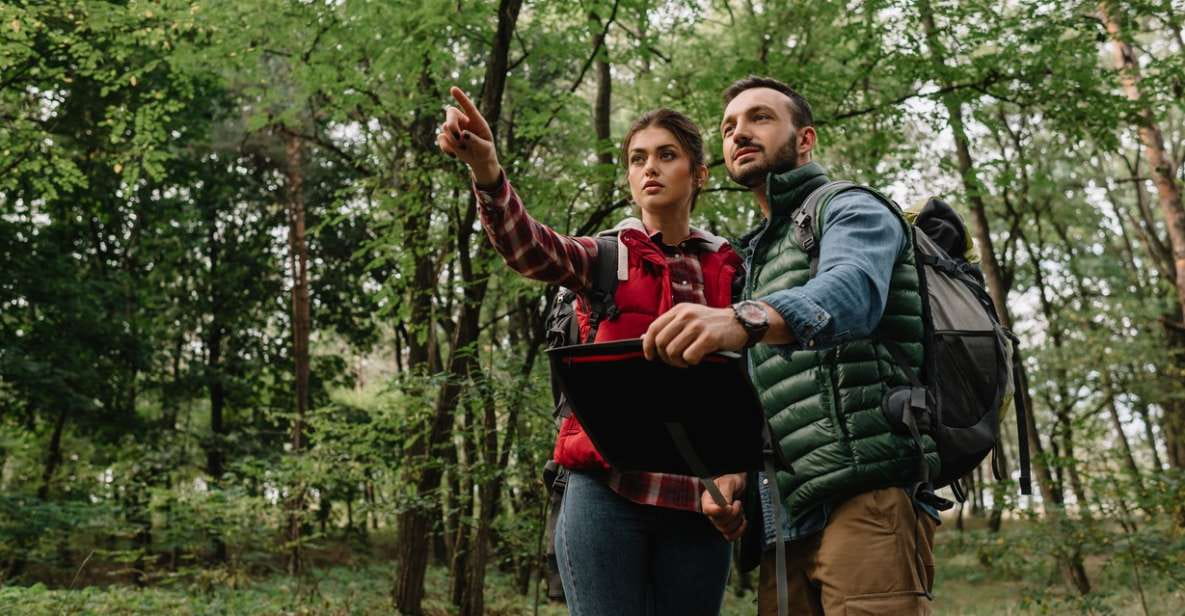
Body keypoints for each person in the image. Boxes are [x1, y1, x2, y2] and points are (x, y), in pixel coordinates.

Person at [436, 86, 742, 615]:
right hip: (605, 490)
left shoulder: (730, 269)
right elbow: (529, 246)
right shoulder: (603, 256)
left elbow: (750, 385)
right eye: (637, 158)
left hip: (698, 500)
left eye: (667, 155)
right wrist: (487, 168)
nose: (650, 168)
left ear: (699, 173)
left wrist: (740, 477)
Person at [642, 75, 940, 615]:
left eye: (759, 118)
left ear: (806, 139)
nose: (739, 133)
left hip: (865, 499)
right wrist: (737, 476)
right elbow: (774, 396)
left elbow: (851, 292)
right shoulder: (756, 255)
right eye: (729, 126)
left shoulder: (850, 207)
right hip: (783, 517)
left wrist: (744, 318)